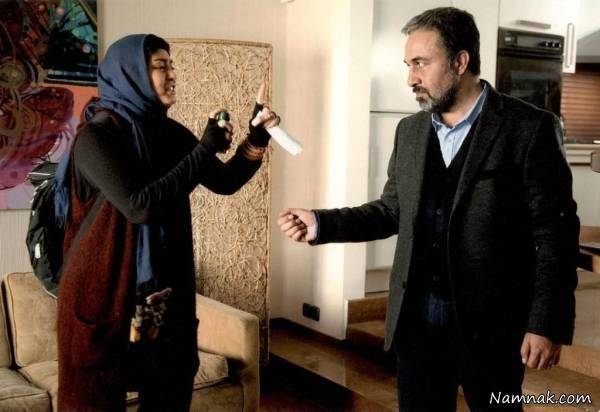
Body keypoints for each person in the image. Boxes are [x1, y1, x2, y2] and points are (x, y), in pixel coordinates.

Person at [278, 7, 579, 412]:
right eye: (408, 65)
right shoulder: (410, 131)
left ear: (460, 61)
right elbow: (391, 210)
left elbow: (556, 234)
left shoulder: (529, 128)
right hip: (417, 320)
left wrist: (545, 324)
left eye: (421, 63)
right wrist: (321, 223)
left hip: (492, 325)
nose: (411, 78)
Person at [56, 34, 277, 411]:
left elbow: (224, 181)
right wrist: (204, 149)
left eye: (171, 65)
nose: (172, 74)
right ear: (130, 73)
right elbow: (139, 205)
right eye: (160, 66)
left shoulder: (169, 133)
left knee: (170, 392)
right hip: (104, 295)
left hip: (163, 295)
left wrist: (257, 135)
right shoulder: (96, 137)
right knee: (95, 398)